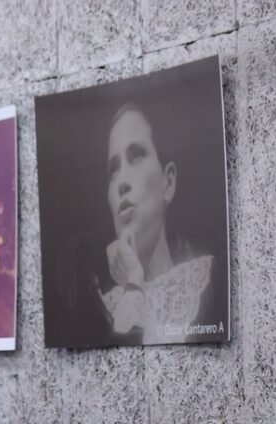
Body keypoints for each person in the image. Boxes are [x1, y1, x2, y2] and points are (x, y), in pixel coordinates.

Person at [56, 102, 215, 345]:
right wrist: (133, 285)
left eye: (136, 155)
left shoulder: (211, 281)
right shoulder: (96, 313)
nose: (121, 181)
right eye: (113, 169)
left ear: (168, 182)